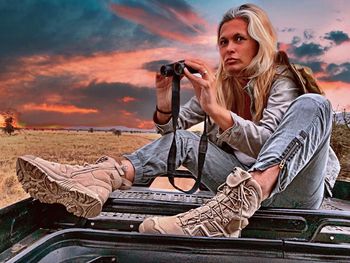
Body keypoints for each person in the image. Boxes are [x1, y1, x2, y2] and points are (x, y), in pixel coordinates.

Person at [17, 3, 340, 238]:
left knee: (315, 104)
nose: (228, 48)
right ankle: (100, 179)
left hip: (293, 190)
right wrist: (163, 100)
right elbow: (171, 136)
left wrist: (216, 112)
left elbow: (268, 143)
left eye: (239, 39)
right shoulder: (221, 85)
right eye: (223, 41)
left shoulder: (282, 80)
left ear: (260, 42)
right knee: (185, 141)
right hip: (233, 187)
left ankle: (235, 206)